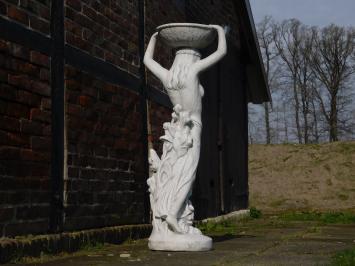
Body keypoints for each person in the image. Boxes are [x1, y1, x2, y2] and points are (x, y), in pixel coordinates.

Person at [144, 25, 227, 233]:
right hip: (192, 129)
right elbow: (221, 52)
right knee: (186, 175)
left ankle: (168, 216)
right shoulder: (194, 70)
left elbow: (147, 61)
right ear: (194, 58)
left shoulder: (168, 76)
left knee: (173, 173)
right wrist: (219, 31)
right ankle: (172, 215)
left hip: (175, 129)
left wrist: (154, 38)